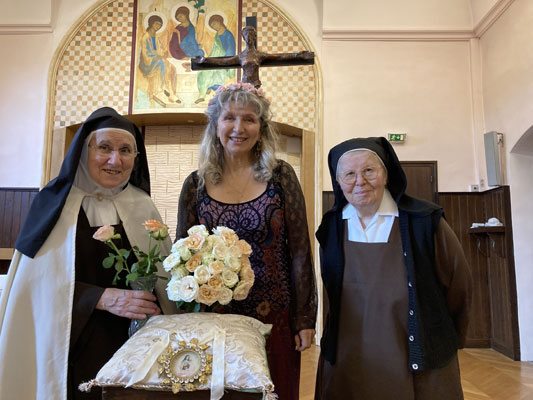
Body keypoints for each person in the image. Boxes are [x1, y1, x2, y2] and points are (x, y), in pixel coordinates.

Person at [0, 107, 176, 399]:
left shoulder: (143, 205)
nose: (115, 160)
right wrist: (101, 298)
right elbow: (33, 288)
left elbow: (163, 279)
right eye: (104, 148)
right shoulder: (53, 204)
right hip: (75, 344)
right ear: (83, 151)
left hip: (138, 346)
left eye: (125, 150)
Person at [176, 82, 317, 400]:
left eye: (249, 119)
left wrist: (304, 318)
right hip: (215, 316)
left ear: (261, 127)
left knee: (274, 391)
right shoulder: (195, 185)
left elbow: (299, 252)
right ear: (215, 125)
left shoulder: (280, 177)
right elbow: (183, 255)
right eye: (229, 118)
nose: (238, 128)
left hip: (275, 316)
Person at [315, 137, 473, 400]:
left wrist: (443, 336)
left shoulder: (424, 221)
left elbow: (459, 286)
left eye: (369, 171)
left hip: (416, 352)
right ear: (338, 182)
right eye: (349, 174)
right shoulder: (331, 227)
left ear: (386, 174)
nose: (360, 182)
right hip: (348, 353)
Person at [138, 15, 180, 104]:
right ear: (151, 23)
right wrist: (158, 54)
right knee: (162, 63)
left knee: (171, 67)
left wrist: (163, 52)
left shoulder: (156, 38)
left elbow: (159, 49)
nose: (158, 26)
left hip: (156, 59)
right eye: (156, 24)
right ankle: (166, 90)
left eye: (160, 25)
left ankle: (170, 90)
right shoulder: (145, 37)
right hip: (147, 63)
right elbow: (146, 54)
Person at [195, 14, 236, 104]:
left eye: (214, 23)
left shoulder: (228, 35)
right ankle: (202, 95)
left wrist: (226, 63)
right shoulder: (217, 34)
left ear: (220, 22)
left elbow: (231, 49)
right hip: (215, 57)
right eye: (212, 25)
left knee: (217, 76)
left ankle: (219, 96)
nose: (214, 26)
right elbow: (215, 48)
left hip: (224, 60)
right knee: (202, 73)